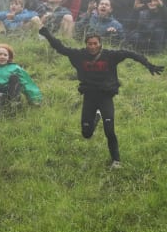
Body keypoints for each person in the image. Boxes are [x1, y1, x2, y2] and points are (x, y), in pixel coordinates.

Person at [39, 26, 164, 168]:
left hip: (105, 96)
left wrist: (148, 64)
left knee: (109, 130)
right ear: (86, 44)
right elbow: (60, 48)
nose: (92, 47)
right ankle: (96, 117)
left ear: (100, 44)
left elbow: (130, 54)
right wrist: (47, 34)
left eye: (95, 44)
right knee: (86, 134)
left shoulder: (110, 55)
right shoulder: (79, 55)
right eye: (89, 44)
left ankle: (116, 161)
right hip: (89, 96)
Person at [0, 43, 42, 108]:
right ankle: (3, 112)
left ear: (8, 57)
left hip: (12, 93)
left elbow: (27, 84)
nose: (2, 56)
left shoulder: (15, 68)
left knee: (14, 77)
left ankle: (15, 104)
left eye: (5, 55)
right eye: (0, 54)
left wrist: (34, 100)